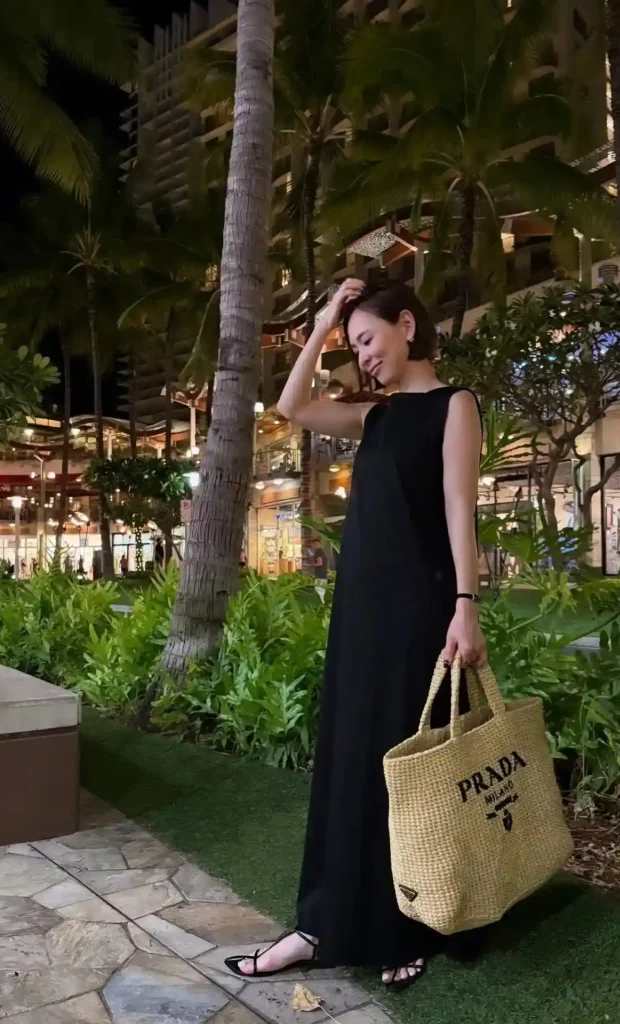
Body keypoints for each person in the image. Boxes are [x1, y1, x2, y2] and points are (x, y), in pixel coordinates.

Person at [223, 279, 487, 991]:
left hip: (420, 612)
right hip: (361, 614)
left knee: (408, 772)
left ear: (408, 325)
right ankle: (320, 924)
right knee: (350, 762)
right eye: (355, 347)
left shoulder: (454, 405)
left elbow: (459, 510)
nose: (363, 357)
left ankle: (407, 927)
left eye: (368, 340)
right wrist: (322, 325)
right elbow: (291, 406)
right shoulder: (373, 417)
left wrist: (466, 605)